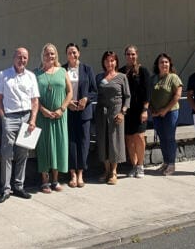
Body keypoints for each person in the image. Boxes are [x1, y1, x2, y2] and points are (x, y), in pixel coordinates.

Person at [0, 47, 40, 203]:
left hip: (26, 117)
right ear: (14, 58)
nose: (22, 60)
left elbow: (35, 101)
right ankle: (5, 189)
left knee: (23, 154)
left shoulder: (31, 76)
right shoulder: (3, 75)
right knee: (7, 154)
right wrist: (3, 117)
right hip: (10, 117)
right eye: (19, 57)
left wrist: (33, 120)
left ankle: (19, 186)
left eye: (25, 57)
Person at [34, 43, 72, 193]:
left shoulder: (62, 71)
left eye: (52, 53)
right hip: (42, 116)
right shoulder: (36, 73)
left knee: (58, 145)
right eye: (46, 53)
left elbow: (69, 92)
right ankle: (44, 181)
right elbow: (33, 96)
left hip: (59, 116)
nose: (49, 56)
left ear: (56, 55)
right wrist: (42, 110)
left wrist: (62, 108)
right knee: (44, 146)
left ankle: (55, 180)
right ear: (42, 56)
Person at [62, 43, 96, 188]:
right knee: (70, 142)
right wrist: (67, 102)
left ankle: (81, 173)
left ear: (79, 53)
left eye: (74, 52)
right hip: (68, 112)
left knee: (83, 142)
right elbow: (59, 91)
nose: (72, 55)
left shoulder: (87, 69)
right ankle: (72, 174)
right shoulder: (62, 70)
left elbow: (94, 91)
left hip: (84, 112)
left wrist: (86, 99)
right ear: (66, 55)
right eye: (69, 52)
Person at [96, 51, 131, 185]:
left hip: (116, 112)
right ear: (103, 62)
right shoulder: (99, 77)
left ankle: (114, 171)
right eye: (107, 60)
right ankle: (106, 170)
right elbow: (95, 93)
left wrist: (123, 112)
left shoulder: (122, 77)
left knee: (115, 141)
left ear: (116, 62)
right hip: (101, 112)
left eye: (112, 60)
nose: (109, 63)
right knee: (103, 141)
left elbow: (127, 97)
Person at [119, 45, 150, 179]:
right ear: (125, 56)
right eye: (128, 54)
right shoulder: (121, 71)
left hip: (139, 110)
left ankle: (141, 166)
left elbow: (148, 92)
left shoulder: (143, 71)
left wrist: (145, 110)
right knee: (129, 138)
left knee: (139, 137)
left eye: (133, 54)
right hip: (126, 110)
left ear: (136, 55)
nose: (130, 56)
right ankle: (134, 165)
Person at [149, 53, 183, 176]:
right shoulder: (153, 78)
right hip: (157, 114)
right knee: (162, 138)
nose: (164, 64)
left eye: (166, 62)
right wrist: (151, 110)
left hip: (170, 112)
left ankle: (171, 164)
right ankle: (166, 162)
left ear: (170, 64)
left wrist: (165, 110)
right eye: (161, 62)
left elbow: (177, 96)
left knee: (169, 138)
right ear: (157, 65)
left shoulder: (173, 77)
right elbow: (149, 95)